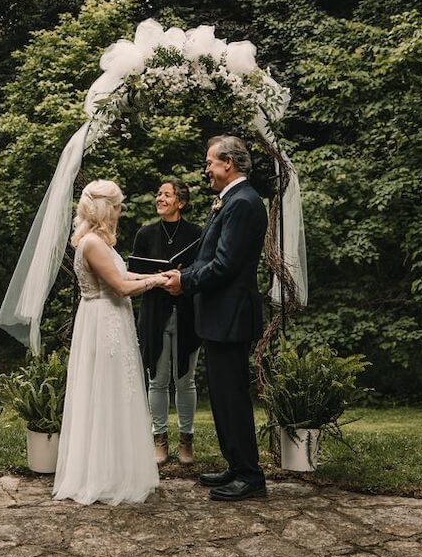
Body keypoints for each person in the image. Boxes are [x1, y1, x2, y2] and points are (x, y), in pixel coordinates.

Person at [163, 135, 268, 501]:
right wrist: (184, 273)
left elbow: (225, 265)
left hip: (231, 315)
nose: (205, 169)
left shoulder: (243, 203)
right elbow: (209, 257)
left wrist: (185, 282)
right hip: (220, 315)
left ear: (228, 163)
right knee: (223, 397)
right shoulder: (231, 201)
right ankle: (236, 466)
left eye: (209, 162)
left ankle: (250, 476)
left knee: (232, 397)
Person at [52, 179, 165, 505]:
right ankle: (103, 476)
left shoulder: (95, 241)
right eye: (116, 206)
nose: (119, 211)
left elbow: (125, 276)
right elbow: (121, 287)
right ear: (106, 208)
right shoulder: (93, 244)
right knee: (106, 393)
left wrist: (157, 275)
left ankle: (114, 471)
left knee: (115, 393)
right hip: (104, 323)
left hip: (107, 318)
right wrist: (158, 282)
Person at [132, 178, 202, 465]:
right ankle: (159, 439)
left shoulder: (197, 234)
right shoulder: (145, 234)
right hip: (154, 314)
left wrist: (183, 279)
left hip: (187, 313)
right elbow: (133, 273)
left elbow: (204, 270)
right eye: (159, 194)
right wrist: (157, 278)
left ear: (180, 203)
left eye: (166, 195)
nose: (159, 198)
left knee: (185, 380)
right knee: (157, 380)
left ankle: (186, 440)